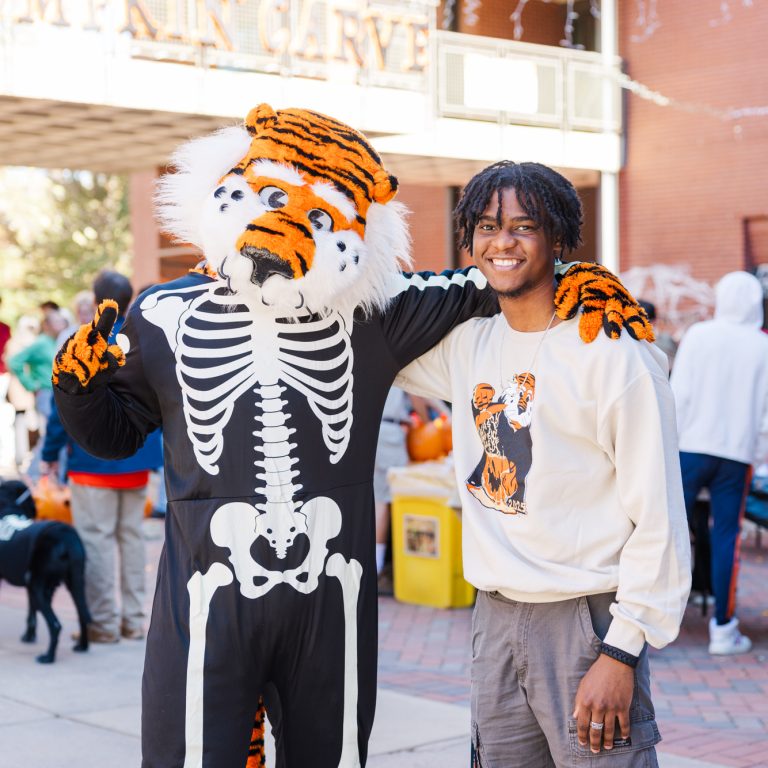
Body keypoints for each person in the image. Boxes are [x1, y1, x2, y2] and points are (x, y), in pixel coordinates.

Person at [49, 105, 650, 768]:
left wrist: (573, 279)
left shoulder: (372, 311)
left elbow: (494, 276)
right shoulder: (163, 313)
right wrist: (78, 391)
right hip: (206, 591)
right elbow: (116, 434)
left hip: (330, 593)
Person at [397, 160, 691, 765]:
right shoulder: (470, 344)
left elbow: (659, 516)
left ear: (558, 238)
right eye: (486, 226)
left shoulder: (613, 355)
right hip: (495, 618)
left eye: (523, 226)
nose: (501, 242)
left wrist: (622, 650)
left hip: (586, 620)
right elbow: (374, 339)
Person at [41, 271, 163, 644]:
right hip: (137, 460)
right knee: (132, 538)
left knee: (96, 541)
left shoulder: (84, 341)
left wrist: (49, 454)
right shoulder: (143, 338)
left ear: (97, 300)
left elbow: (64, 405)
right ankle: (134, 620)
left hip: (90, 463)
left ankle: (104, 624)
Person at [670, 271, 768, 655]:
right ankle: (724, 630)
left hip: (689, 447)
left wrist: (668, 444)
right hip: (736, 455)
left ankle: (646, 619)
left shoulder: (699, 335)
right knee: (727, 537)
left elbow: (678, 395)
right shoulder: (762, 345)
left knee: (666, 529)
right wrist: (756, 455)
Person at [8, 308, 68, 481]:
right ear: (47, 325)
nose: (61, 324)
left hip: (57, 394)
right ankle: (34, 477)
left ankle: (46, 477)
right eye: (56, 321)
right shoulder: (41, 343)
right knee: (51, 435)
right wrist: (31, 384)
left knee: (55, 435)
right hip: (47, 394)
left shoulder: (56, 341)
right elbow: (15, 361)